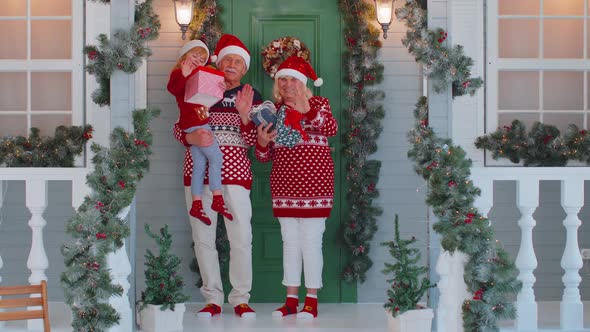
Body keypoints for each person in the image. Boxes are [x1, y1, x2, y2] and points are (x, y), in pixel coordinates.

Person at [173, 34, 262, 318]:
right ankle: (212, 298)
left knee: (241, 238)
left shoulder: (251, 95)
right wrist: (192, 139)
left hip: (235, 175)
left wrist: (246, 115)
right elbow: (179, 127)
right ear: (218, 62)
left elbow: (254, 140)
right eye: (228, 59)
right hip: (198, 176)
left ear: (244, 69)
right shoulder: (196, 86)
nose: (232, 64)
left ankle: (240, 298)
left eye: (238, 61)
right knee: (203, 239)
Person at [254, 55, 337, 319]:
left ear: (303, 83)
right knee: (290, 243)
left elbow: (331, 129)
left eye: (293, 79)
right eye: (283, 79)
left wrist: (307, 110)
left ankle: (311, 300)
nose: (288, 84)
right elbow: (264, 157)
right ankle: (290, 300)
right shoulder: (272, 111)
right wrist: (263, 143)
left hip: (316, 186)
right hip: (285, 185)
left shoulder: (319, 104)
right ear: (278, 84)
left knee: (311, 242)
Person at [167, 39, 233, 225]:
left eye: (202, 58)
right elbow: (173, 89)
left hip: (199, 118)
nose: (198, 60)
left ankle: (197, 204)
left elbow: (210, 92)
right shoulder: (179, 73)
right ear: (184, 56)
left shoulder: (200, 74)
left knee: (200, 163)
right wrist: (183, 74)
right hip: (195, 122)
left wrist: (221, 87)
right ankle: (217, 196)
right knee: (216, 158)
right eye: (194, 55)